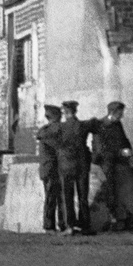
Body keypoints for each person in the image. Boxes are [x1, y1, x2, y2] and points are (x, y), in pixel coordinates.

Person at [91, 101, 133, 231]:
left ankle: (129, 212)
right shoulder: (100, 126)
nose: (122, 116)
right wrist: (120, 152)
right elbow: (101, 150)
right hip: (105, 161)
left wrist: (130, 155)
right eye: (120, 113)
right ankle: (113, 215)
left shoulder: (117, 124)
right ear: (112, 113)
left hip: (118, 159)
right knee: (110, 183)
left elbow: (124, 141)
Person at [52, 100, 98, 235]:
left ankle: (69, 226)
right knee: (83, 196)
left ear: (65, 113)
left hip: (66, 165)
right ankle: (85, 226)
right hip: (82, 165)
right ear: (75, 111)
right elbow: (96, 125)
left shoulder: (60, 127)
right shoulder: (83, 125)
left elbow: (47, 138)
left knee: (67, 196)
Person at [35, 105, 65, 233]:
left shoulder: (47, 131)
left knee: (58, 198)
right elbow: (59, 147)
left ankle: (60, 224)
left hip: (52, 169)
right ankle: (49, 226)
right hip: (51, 169)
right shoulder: (48, 132)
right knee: (51, 198)